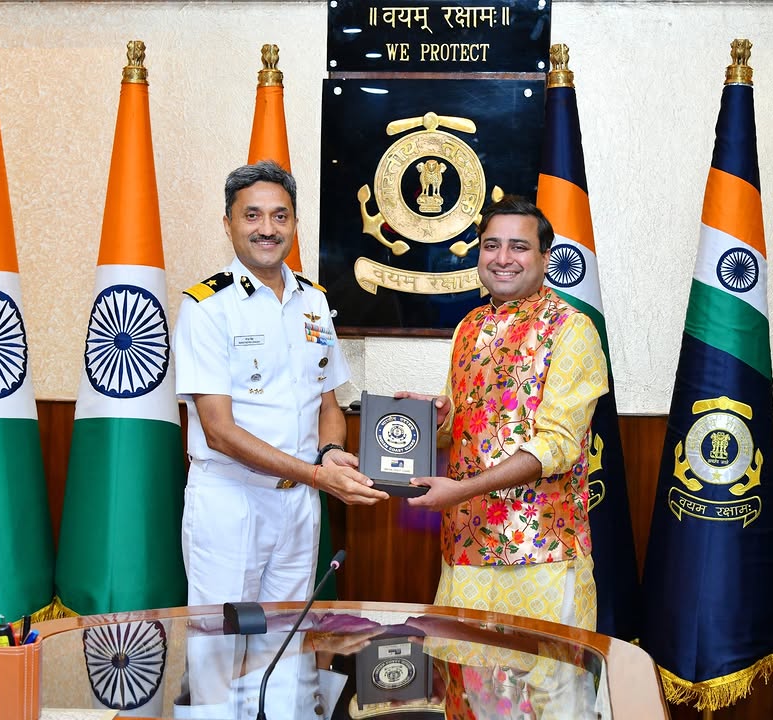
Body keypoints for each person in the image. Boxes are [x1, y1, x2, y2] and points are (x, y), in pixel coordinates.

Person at [173, 160, 388, 609]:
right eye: (252, 215)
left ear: (294, 223)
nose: (267, 229)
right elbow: (218, 431)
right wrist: (317, 475)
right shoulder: (207, 307)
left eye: (279, 216)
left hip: (300, 504)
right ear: (228, 223)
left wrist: (330, 452)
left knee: (289, 637)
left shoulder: (314, 300)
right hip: (232, 501)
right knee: (221, 640)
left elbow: (327, 404)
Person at [399, 195, 608, 631]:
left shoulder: (571, 328)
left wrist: (461, 490)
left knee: (542, 674)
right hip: (464, 546)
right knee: (463, 671)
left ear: (545, 258)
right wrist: (437, 418)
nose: (503, 258)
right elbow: (461, 427)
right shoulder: (469, 326)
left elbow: (557, 446)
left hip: (540, 552)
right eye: (492, 245)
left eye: (519, 246)